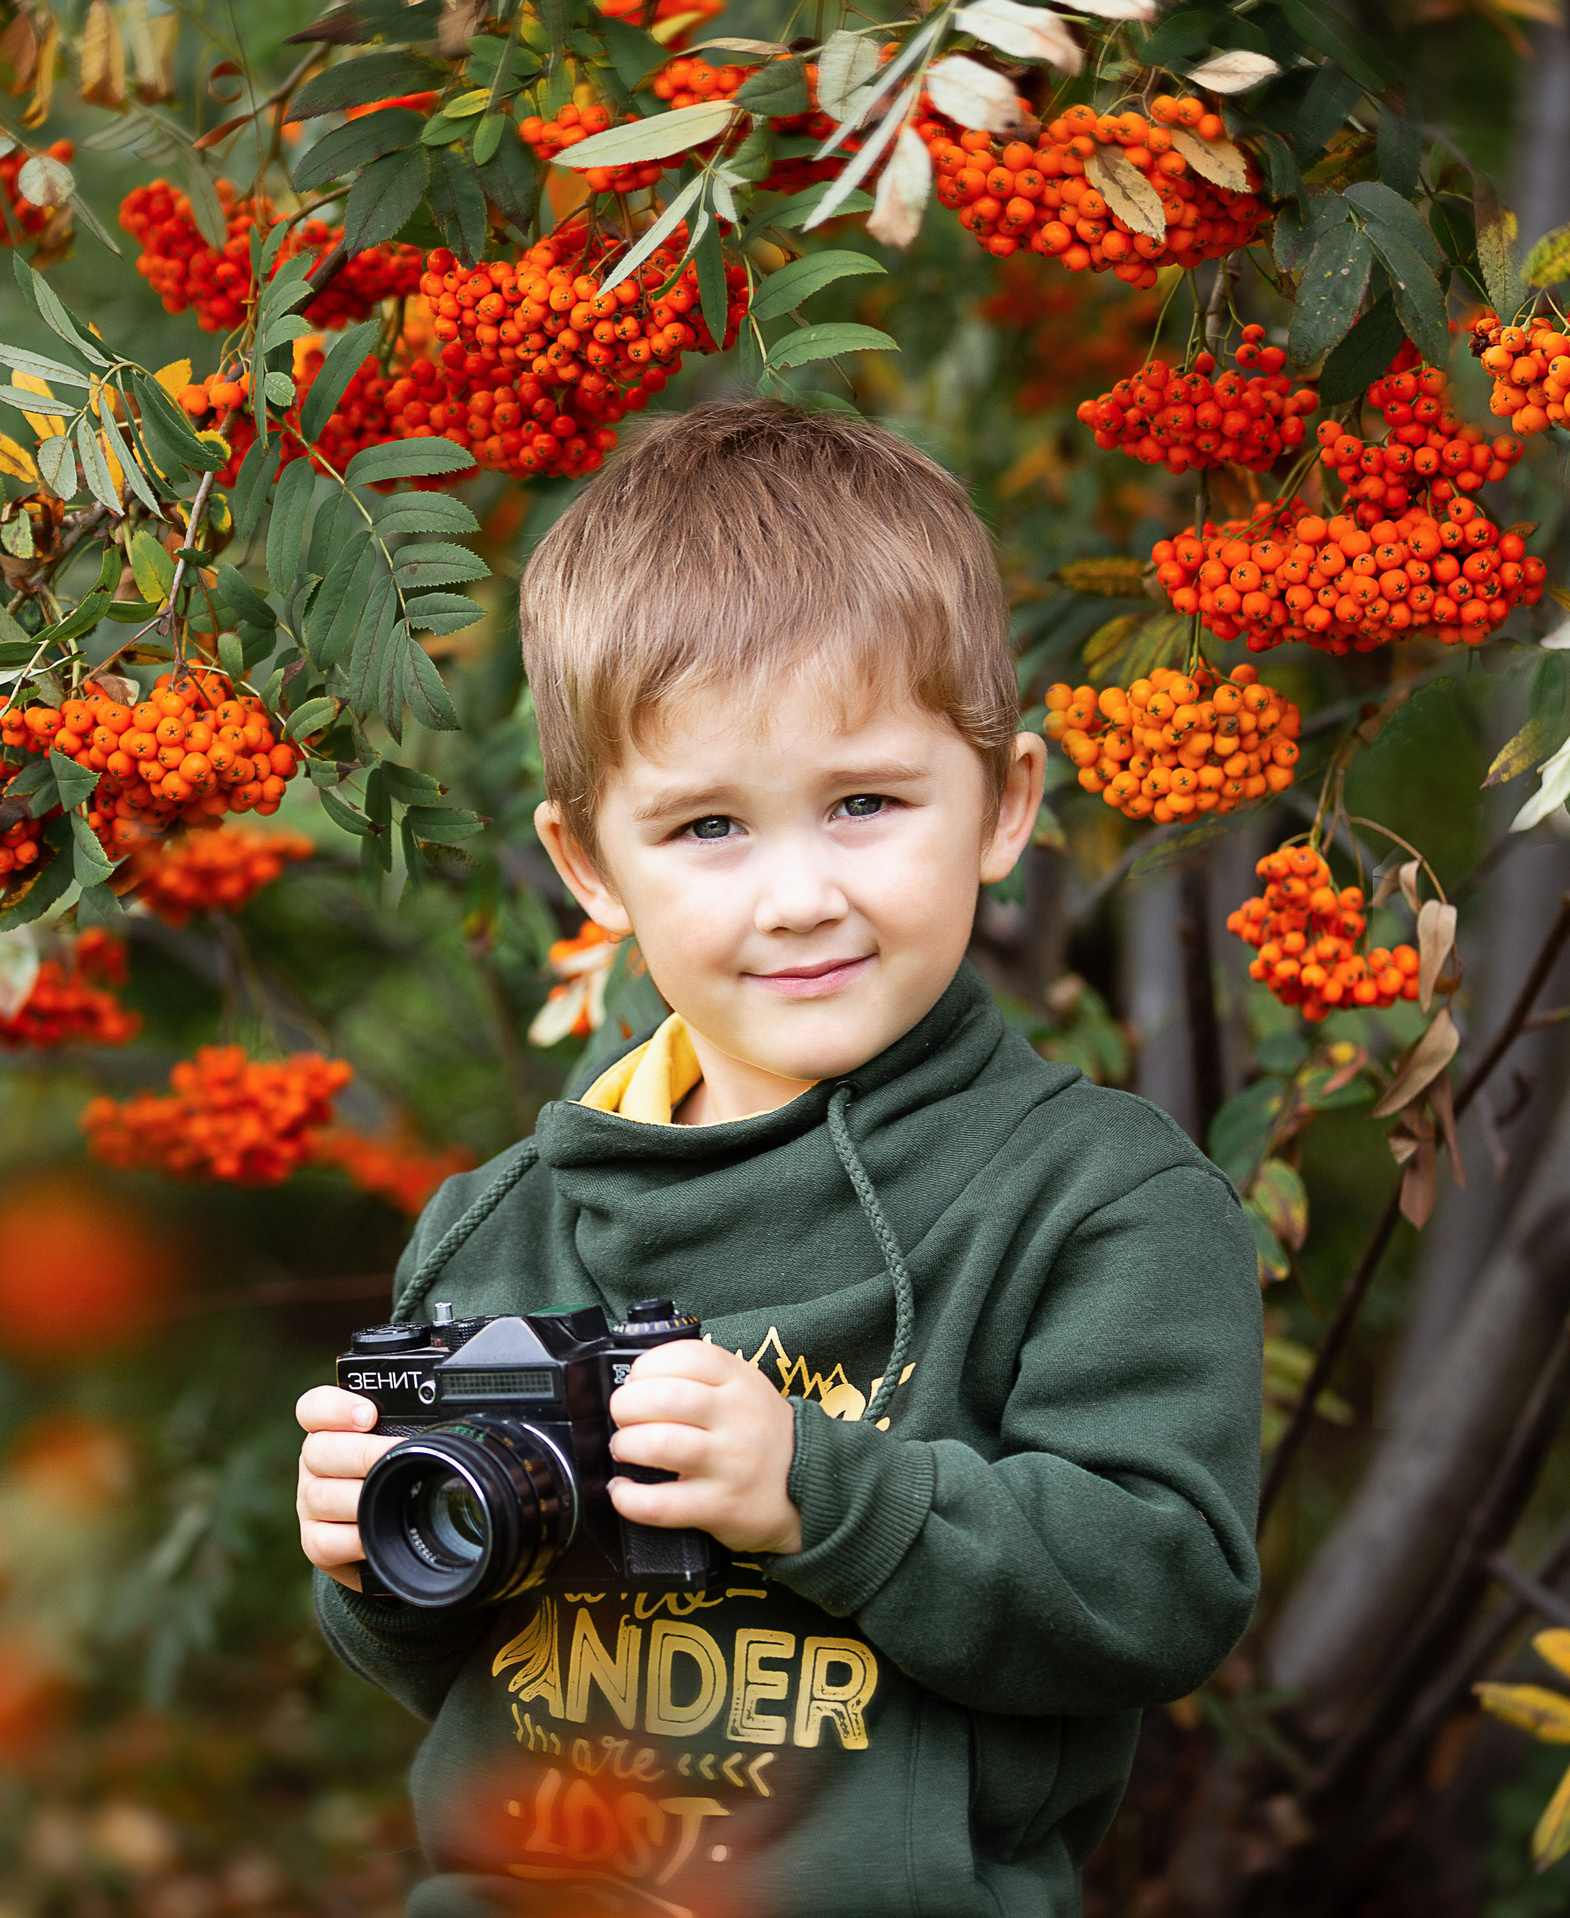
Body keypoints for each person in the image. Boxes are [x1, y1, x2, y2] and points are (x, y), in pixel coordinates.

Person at [294, 398, 1261, 1917]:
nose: (799, 895)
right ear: (588, 865)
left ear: (1005, 805)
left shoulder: (1091, 1202)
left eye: (864, 802)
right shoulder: (500, 1228)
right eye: (708, 828)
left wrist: (817, 1488)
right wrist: (372, 1557)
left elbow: (1161, 1587)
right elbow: (449, 1677)